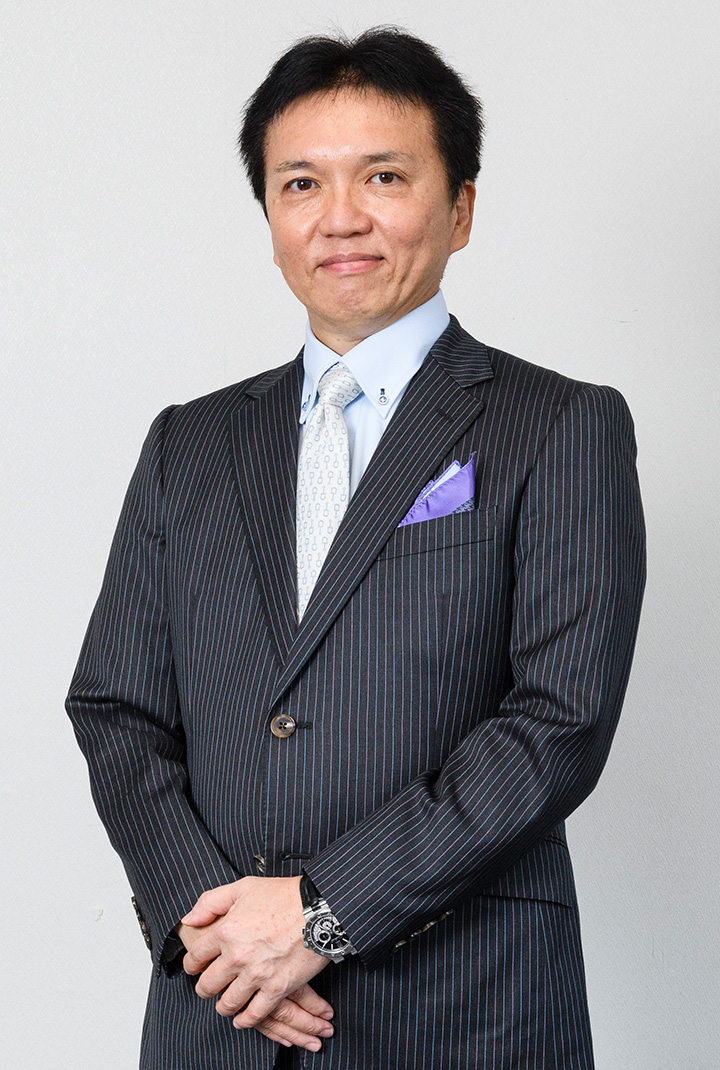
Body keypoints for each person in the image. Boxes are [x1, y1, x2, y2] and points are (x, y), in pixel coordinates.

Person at [66, 27, 646, 1070]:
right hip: (223, 1015)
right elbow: (117, 707)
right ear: (270, 218)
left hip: (462, 1010)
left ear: (460, 207)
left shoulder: (559, 423)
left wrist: (321, 913)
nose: (341, 217)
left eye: (384, 176)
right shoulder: (187, 444)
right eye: (301, 184)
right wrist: (216, 935)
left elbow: (558, 719)